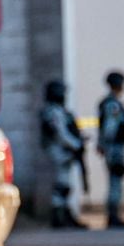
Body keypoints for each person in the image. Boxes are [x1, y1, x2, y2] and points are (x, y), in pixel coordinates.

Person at [39, 79, 85, 229]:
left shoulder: (55, 110)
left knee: (64, 185)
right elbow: (61, 134)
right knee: (61, 186)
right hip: (58, 151)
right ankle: (59, 218)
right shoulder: (53, 111)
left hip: (62, 151)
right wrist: (76, 145)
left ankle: (65, 215)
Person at [96, 70, 124, 230]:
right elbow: (109, 128)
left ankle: (114, 215)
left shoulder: (111, 103)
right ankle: (113, 217)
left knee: (116, 181)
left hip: (114, 147)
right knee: (115, 182)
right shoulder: (112, 104)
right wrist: (107, 145)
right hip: (115, 148)